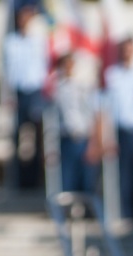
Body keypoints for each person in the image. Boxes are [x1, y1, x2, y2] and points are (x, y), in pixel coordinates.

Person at [102, 37, 133, 221]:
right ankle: (126, 213)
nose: (127, 53)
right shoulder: (112, 73)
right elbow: (107, 105)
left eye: (130, 49)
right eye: (124, 49)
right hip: (120, 130)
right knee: (123, 175)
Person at [3, 3, 49, 190]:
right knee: (19, 137)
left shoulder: (38, 40)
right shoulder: (11, 42)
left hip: (35, 91)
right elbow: (7, 70)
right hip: (19, 93)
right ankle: (20, 180)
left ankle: (38, 178)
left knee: (38, 136)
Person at [51, 52, 98, 195]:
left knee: (86, 181)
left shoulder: (82, 87)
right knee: (67, 181)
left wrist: (93, 142)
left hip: (82, 137)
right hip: (66, 138)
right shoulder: (57, 89)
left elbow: (92, 114)